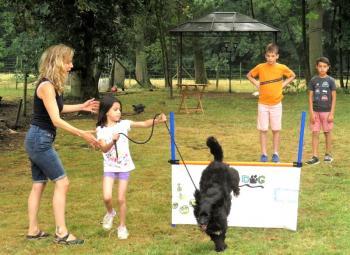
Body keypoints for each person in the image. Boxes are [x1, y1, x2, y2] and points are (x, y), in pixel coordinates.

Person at [24, 44, 100, 245]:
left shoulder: (50, 85)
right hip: (40, 140)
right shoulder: (47, 86)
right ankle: (62, 233)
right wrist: (82, 133)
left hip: (36, 138)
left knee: (38, 185)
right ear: (57, 62)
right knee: (62, 182)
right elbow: (56, 119)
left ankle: (33, 230)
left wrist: (82, 107)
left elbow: (58, 108)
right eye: (68, 62)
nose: (71, 65)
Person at [96, 96, 166, 239]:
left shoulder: (124, 124)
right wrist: (112, 141)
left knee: (121, 199)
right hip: (109, 167)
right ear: (106, 111)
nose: (118, 112)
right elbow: (103, 148)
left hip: (124, 167)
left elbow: (144, 124)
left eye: (120, 109)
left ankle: (122, 226)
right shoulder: (100, 129)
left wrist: (157, 120)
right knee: (107, 197)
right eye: (115, 109)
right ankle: (110, 213)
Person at [247, 43, 296, 162]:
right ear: (265, 56)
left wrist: (283, 85)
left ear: (277, 56)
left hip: (276, 104)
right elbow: (249, 75)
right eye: (268, 56)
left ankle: (275, 153)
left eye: (272, 56)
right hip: (263, 104)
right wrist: (257, 84)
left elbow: (292, 75)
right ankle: (263, 154)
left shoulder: (281, 67)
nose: (270, 58)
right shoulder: (260, 67)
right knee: (263, 129)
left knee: (276, 129)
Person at [306, 57, 336, 165]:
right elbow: (310, 97)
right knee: (315, 133)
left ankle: (328, 154)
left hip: (327, 112)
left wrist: (332, 113)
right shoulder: (313, 80)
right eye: (320, 66)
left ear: (328, 67)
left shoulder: (331, 81)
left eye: (324, 66)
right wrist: (311, 112)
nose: (322, 69)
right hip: (315, 112)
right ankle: (315, 156)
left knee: (327, 133)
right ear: (316, 67)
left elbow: (334, 98)